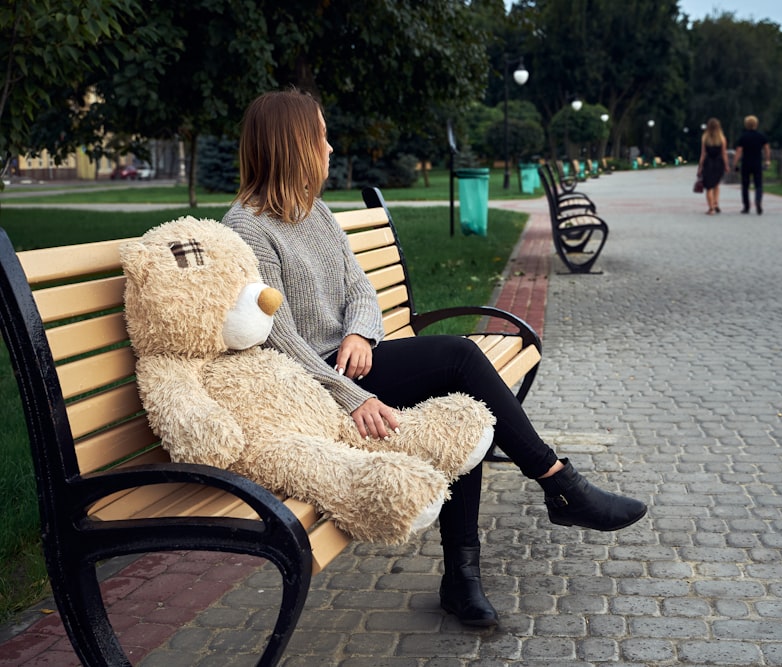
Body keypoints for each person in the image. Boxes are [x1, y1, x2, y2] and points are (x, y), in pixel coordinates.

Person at [222, 89, 647, 628]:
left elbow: (360, 289)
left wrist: (361, 334)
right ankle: (560, 485)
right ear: (294, 146)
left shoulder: (315, 211)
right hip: (316, 386)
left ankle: (462, 578)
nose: (330, 147)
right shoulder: (248, 228)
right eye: (321, 137)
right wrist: (354, 396)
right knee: (459, 357)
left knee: (460, 393)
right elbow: (277, 340)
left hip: (352, 359)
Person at [734, 115, 771, 215]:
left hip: (746, 163)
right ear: (756, 124)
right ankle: (758, 201)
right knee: (758, 184)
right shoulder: (761, 136)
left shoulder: (743, 136)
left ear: (746, 125)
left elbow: (739, 150)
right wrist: (767, 160)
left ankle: (746, 207)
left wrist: (735, 163)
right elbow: (767, 148)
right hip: (757, 163)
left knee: (745, 186)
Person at [697, 118, 729, 215]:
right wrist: (726, 165)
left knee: (709, 187)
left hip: (708, 163)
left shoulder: (705, 138)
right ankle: (715, 203)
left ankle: (711, 208)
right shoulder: (722, 138)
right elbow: (724, 153)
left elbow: (703, 154)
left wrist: (700, 166)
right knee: (716, 184)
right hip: (719, 163)